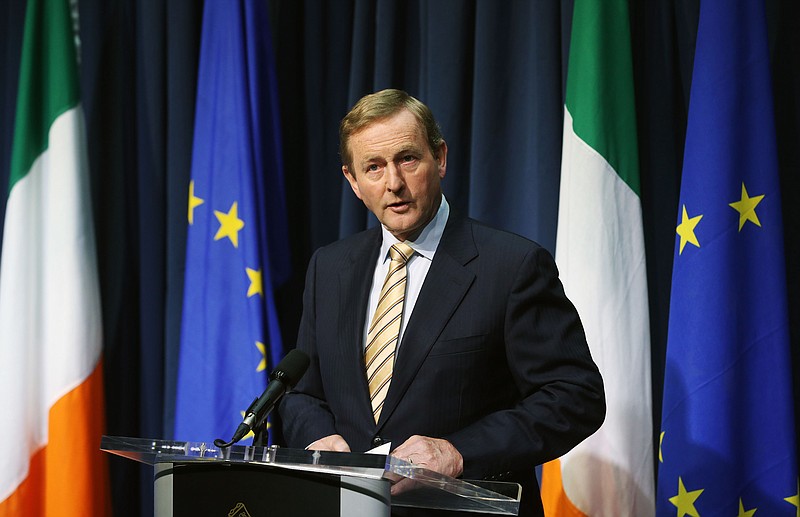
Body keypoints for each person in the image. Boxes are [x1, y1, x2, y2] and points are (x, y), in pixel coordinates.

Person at [279, 89, 605, 516]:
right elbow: (301, 392)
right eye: (373, 168)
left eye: (407, 159)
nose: (393, 183)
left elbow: (575, 396)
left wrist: (458, 452)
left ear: (441, 158)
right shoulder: (330, 268)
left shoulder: (511, 266)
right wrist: (316, 438)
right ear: (353, 182)